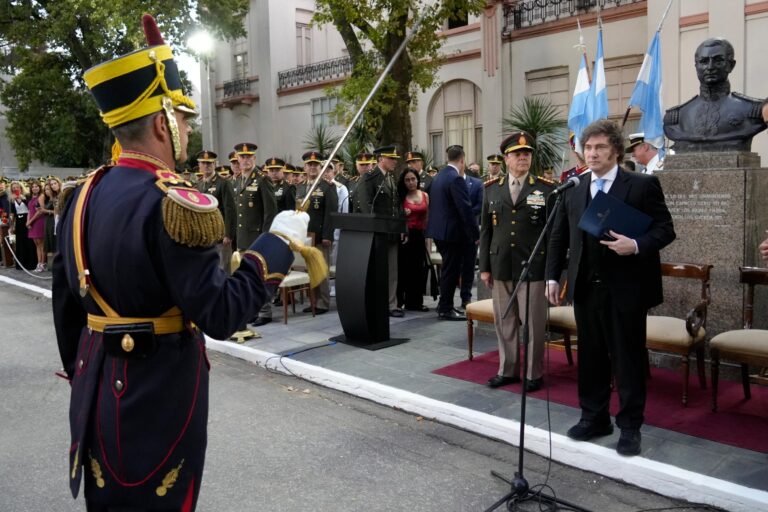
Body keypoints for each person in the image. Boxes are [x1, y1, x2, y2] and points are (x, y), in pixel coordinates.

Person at [52, 16, 309, 511]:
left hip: (96, 386)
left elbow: (67, 305)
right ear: (160, 122)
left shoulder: (81, 194)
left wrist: (85, 371)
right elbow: (219, 314)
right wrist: (275, 245)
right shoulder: (174, 201)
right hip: (155, 396)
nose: (188, 129)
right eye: (184, 118)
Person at [546, 119, 676, 456]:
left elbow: (665, 230)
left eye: (600, 147)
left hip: (626, 288)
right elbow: (560, 234)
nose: (592, 153)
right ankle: (594, 417)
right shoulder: (574, 187)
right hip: (586, 287)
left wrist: (635, 244)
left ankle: (630, 426)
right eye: (588, 147)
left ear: (616, 150)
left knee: (627, 358)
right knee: (590, 357)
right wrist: (552, 276)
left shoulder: (641, 186)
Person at [479, 131, 554, 391]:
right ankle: (507, 369)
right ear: (506, 159)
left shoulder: (545, 188)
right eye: (517, 154)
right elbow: (486, 230)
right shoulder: (491, 189)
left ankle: (533, 374)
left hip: (533, 266)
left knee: (533, 324)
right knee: (505, 321)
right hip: (501, 265)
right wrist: (485, 267)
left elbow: (553, 233)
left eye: (527, 154)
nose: (523, 158)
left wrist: (551, 270)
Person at [664, 37, 767, 152]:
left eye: (718, 61)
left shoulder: (753, 110)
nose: (710, 67)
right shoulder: (677, 116)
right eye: (704, 61)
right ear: (696, 66)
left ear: (731, 65)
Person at [425, 145, 479, 320]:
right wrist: (475, 234)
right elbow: (465, 208)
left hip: (439, 232)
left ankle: (444, 304)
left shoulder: (439, 176)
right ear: (462, 160)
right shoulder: (456, 179)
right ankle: (446, 307)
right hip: (452, 233)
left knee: (448, 268)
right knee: (451, 270)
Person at [233, 142, 278, 326]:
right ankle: (252, 310)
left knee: (260, 276)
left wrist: (266, 238)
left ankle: (265, 312)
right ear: (237, 159)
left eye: (248, 157)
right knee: (247, 277)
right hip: (243, 237)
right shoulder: (237, 180)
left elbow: (270, 212)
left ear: (254, 158)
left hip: (258, 237)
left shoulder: (262, 179)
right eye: (242, 157)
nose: (245, 160)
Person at [359, 145, 404, 317]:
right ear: (380, 159)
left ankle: (391, 304)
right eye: (391, 158)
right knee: (377, 271)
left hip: (391, 232)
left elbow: (396, 205)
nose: (394, 161)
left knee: (392, 270)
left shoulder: (391, 178)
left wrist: (401, 227)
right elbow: (366, 207)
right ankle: (378, 302)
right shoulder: (370, 179)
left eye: (395, 159)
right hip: (377, 234)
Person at [295, 150, 338, 314]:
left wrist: (328, 235)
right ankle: (313, 300)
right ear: (305, 167)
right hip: (304, 237)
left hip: (320, 237)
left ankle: (323, 302)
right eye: (309, 165)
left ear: (321, 167)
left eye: (316, 165)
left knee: (321, 269)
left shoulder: (327, 187)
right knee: (309, 270)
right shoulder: (299, 187)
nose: (312, 168)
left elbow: (331, 213)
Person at [195, 150, 236, 273]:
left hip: (220, 235)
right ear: (200, 165)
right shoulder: (199, 184)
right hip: (204, 235)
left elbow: (230, 209)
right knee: (208, 270)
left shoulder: (223, 182)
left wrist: (228, 234)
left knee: (223, 270)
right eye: (204, 163)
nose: (207, 166)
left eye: (210, 163)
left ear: (215, 164)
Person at [396, 168, 430, 311]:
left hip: (419, 235)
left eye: (413, 179)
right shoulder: (400, 196)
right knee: (404, 269)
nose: (411, 182)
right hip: (405, 236)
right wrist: (402, 214)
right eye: (407, 180)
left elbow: (427, 216)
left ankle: (416, 302)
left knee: (419, 269)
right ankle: (400, 301)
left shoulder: (425, 195)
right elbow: (395, 216)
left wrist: (428, 237)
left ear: (417, 179)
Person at [458, 162, 483, 310]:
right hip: (453, 231)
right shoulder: (450, 181)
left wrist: (465, 214)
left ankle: (466, 297)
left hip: (470, 231)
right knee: (453, 266)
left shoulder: (476, 183)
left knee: (468, 266)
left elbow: (480, 205)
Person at [8, 181, 36, 271]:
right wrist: (11, 226)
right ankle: (21, 264)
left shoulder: (27, 196)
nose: (16, 189)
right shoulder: (12, 199)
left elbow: (31, 208)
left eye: (17, 187)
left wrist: (23, 199)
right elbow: (12, 213)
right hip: (19, 222)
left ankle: (32, 263)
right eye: (14, 188)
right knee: (20, 242)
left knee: (29, 241)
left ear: (21, 188)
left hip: (27, 219)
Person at [26, 180, 47, 272]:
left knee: (41, 244)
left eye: (36, 186)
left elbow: (40, 211)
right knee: (37, 244)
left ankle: (43, 263)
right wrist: (28, 222)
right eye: (33, 186)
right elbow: (30, 211)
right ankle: (39, 263)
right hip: (32, 222)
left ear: (40, 187)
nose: (35, 188)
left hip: (39, 221)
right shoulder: (32, 197)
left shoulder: (41, 196)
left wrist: (30, 221)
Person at [41, 181, 57, 262]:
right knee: (49, 241)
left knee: (54, 240)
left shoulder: (55, 198)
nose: (46, 191)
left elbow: (57, 211)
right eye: (45, 189)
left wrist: (47, 211)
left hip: (53, 222)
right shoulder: (47, 199)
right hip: (47, 222)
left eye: (48, 189)